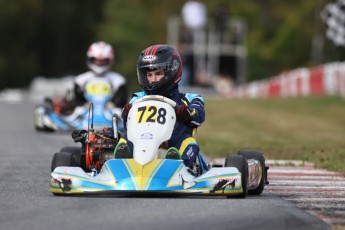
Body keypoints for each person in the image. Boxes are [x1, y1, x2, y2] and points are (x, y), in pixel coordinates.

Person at [118, 44, 205, 169]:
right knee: (126, 139)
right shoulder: (138, 98)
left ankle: (176, 163)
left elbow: (199, 116)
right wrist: (126, 114)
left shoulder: (189, 98)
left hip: (174, 144)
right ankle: (122, 162)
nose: (153, 80)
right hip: (143, 144)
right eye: (149, 75)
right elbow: (128, 125)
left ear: (172, 72)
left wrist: (186, 114)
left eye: (158, 74)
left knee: (188, 142)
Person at [53, 41, 128, 115]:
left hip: (110, 114)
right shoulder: (80, 80)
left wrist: (111, 105)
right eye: (97, 60)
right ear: (91, 59)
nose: (99, 63)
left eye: (103, 61)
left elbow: (121, 104)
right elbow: (76, 102)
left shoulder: (118, 80)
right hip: (84, 114)